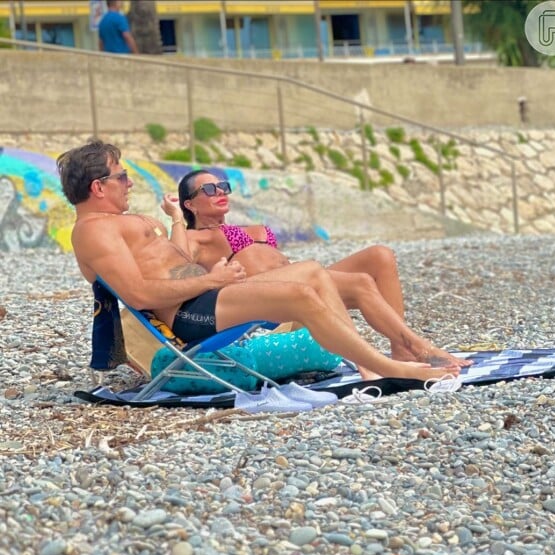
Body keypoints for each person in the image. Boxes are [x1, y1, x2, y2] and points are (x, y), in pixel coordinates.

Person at [57, 140, 459, 383]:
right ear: (98, 187)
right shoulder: (93, 230)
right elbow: (138, 292)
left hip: (209, 295)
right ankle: (387, 366)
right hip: (190, 315)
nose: (129, 183)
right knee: (301, 293)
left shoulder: (115, 223)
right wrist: (210, 281)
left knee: (314, 272)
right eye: (122, 176)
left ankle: (405, 349)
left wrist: (213, 276)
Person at [162, 169, 472, 369]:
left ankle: (401, 351)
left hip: (302, 280)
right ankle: (402, 353)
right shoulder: (196, 237)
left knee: (380, 256)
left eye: (223, 186)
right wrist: (175, 216)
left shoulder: (247, 228)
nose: (221, 193)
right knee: (361, 281)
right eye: (210, 189)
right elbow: (176, 257)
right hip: (267, 298)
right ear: (190, 204)